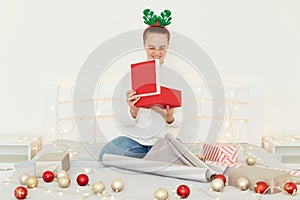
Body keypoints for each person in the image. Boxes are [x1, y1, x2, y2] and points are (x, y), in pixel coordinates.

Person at [98, 9, 182, 161]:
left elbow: (178, 122)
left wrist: (169, 118)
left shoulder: (174, 75)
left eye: (162, 48)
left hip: (162, 142)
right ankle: (152, 161)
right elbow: (124, 122)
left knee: (178, 148)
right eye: (151, 47)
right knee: (107, 153)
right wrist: (132, 110)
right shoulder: (132, 74)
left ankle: (147, 161)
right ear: (144, 45)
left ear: (167, 46)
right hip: (137, 143)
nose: (157, 52)